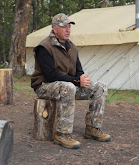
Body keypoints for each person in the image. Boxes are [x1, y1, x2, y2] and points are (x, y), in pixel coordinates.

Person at [31, 13, 111, 149]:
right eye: (64, 27)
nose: (68, 30)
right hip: (45, 86)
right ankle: (62, 133)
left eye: (69, 27)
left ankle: (93, 127)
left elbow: (78, 70)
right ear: (54, 29)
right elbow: (50, 76)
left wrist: (82, 79)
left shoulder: (71, 47)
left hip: (67, 84)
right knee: (69, 87)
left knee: (100, 87)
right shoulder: (44, 47)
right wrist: (77, 81)